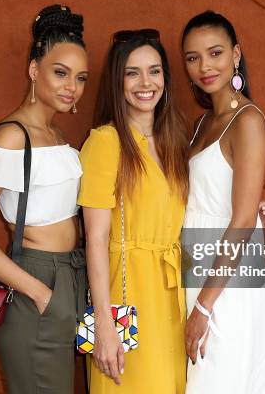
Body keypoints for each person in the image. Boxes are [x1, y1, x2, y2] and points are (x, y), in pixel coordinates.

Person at [0, 4, 89, 394]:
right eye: (60, 73)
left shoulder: (60, 137)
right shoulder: (12, 136)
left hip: (71, 277)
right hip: (35, 280)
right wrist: (39, 292)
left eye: (79, 78)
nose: (70, 87)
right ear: (33, 70)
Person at [78, 28, 190, 393]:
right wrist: (103, 326)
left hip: (173, 297)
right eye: (132, 72)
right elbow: (95, 239)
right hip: (127, 298)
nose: (146, 82)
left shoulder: (175, 141)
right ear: (117, 81)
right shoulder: (105, 142)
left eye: (154, 71)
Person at [181, 10, 265, 393]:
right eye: (192, 57)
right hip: (198, 268)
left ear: (236, 55)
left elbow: (239, 223)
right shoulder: (203, 123)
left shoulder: (247, 120)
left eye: (215, 53)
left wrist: (204, 306)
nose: (204, 66)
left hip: (228, 283)